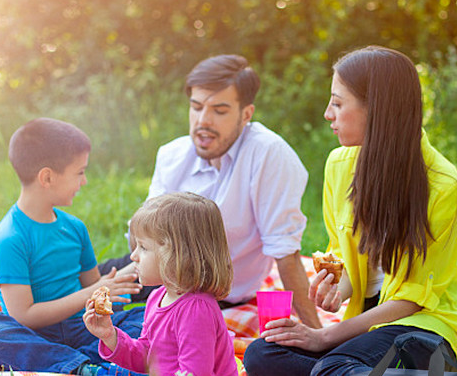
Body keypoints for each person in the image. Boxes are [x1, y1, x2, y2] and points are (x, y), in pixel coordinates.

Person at [243, 46, 457, 376]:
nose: (327, 114)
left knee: (330, 367)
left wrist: (324, 338)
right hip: (368, 328)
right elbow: (347, 256)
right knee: (261, 354)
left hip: (423, 330)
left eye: (338, 103)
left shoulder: (444, 185)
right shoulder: (340, 165)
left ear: (377, 110)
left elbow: (413, 300)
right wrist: (340, 288)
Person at [21, 192, 246, 376]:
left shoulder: (197, 310)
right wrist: (109, 335)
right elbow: (146, 357)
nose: (134, 256)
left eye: (143, 247)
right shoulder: (158, 297)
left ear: (177, 254)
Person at [101, 54, 321, 328]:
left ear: (246, 115)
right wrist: (106, 285)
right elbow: (141, 238)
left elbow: (285, 254)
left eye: (219, 110)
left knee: (130, 332)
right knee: (64, 287)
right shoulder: (173, 154)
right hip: (153, 268)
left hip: (211, 292)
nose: (204, 121)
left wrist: (318, 339)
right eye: (196, 107)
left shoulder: (268, 156)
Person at [0, 118, 144, 375]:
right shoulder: (10, 238)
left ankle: (75, 362)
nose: (85, 181)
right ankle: (81, 366)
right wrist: (92, 291)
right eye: (80, 172)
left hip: (84, 327)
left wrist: (123, 277)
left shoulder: (74, 228)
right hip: (35, 337)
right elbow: (23, 316)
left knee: (147, 317)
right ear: (47, 177)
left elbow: (93, 286)